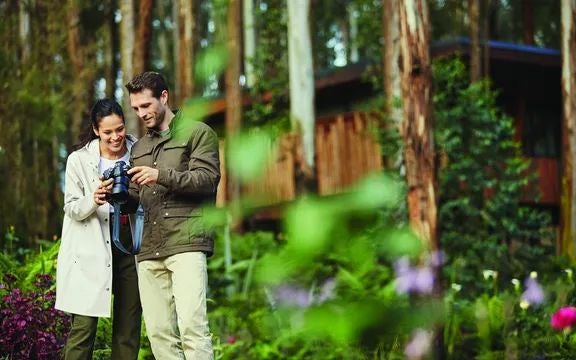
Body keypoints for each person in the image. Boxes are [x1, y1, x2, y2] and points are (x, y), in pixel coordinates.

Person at [123, 71, 220, 359]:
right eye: (136, 108)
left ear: (164, 97)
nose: (141, 114)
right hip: (149, 248)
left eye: (146, 106)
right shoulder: (138, 148)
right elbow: (135, 197)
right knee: (158, 334)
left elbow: (207, 179)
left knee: (192, 328)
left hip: (187, 243)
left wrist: (160, 174)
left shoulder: (198, 133)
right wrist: (115, 196)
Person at [55, 98, 142, 359]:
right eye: (107, 132)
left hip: (130, 243)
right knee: (83, 328)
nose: (115, 137)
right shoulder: (78, 160)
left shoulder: (140, 151)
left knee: (128, 326)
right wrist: (94, 198)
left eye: (119, 129)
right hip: (90, 247)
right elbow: (71, 208)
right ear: (95, 130)